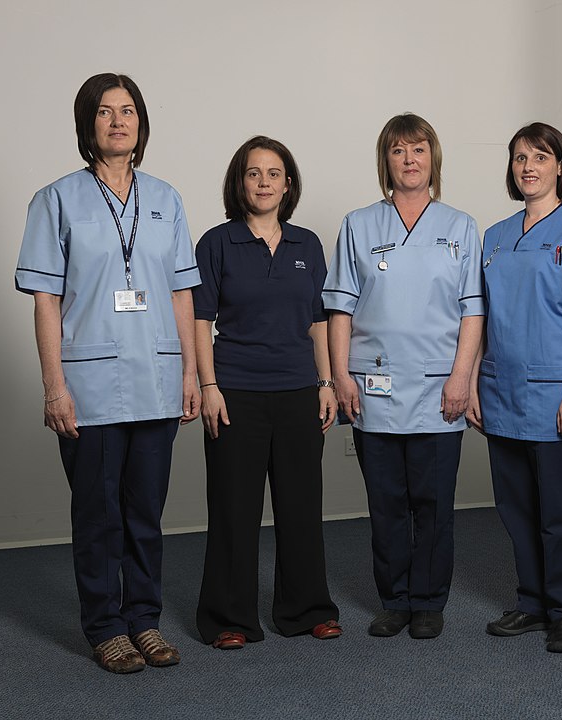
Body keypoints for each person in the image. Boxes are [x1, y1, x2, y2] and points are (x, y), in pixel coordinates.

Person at [15, 73, 201, 674]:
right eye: (104, 112)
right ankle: (104, 626)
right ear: (86, 125)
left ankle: (143, 620)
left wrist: (192, 375)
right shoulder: (56, 199)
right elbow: (45, 300)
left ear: (141, 122)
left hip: (157, 377)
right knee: (98, 514)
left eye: (128, 111)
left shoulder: (167, 199)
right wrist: (54, 385)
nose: (118, 121)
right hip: (88, 386)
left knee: (146, 511)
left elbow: (180, 295)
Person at [324, 113, 485, 639]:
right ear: (385, 161)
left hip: (441, 386)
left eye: (418, 149)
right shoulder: (359, 224)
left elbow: (472, 310)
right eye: (398, 150)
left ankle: (430, 600)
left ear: (433, 158)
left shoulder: (460, 226)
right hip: (374, 386)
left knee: (433, 503)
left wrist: (463, 376)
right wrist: (340, 376)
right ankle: (394, 598)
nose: (410, 160)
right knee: (387, 502)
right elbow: (340, 309)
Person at [193, 136, 341, 649]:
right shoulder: (216, 242)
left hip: (299, 389)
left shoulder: (308, 244)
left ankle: (307, 610)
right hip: (236, 392)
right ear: (240, 182)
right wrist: (206, 386)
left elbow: (320, 321)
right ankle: (227, 618)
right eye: (254, 173)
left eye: (273, 173)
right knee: (234, 510)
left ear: (288, 184)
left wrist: (326, 382)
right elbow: (200, 319)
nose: (263, 182)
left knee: (302, 507)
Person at [467, 123, 562, 654]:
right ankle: (532, 602)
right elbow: (482, 315)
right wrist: (475, 381)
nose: (529, 166)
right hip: (502, 392)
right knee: (517, 508)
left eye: (540, 157)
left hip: (556, 397)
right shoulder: (495, 236)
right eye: (520, 157)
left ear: (560, 167)